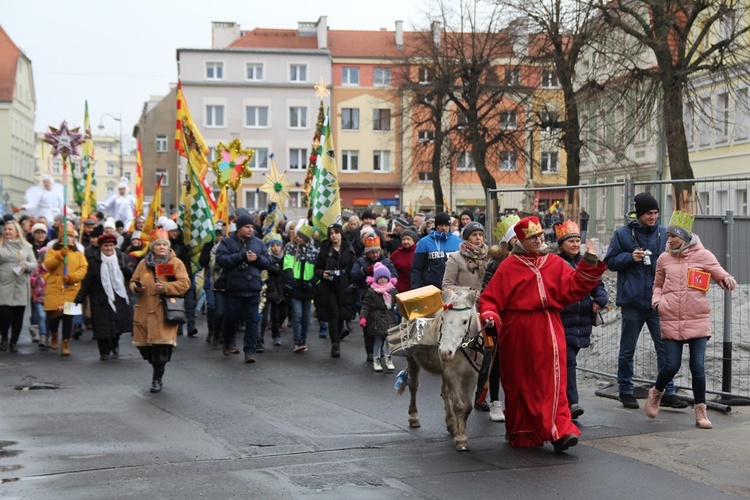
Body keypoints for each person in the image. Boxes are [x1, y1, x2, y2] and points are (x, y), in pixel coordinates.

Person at [478, 216, 606, 453]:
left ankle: (560, 430)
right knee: (520, 383)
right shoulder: (508, 265)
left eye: (539, 236)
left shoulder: (554, 263)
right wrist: (490, 317)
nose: (538, 240)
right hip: (517, 332)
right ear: (521, 241)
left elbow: (577, 285)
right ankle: (524, 431)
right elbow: (490, 299)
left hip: (550, 327)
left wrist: (589, 259)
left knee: (554, 380)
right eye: (532, 237)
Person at [646, 211, 737, 429]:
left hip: (697, 318)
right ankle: (656, 392)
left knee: (697, 366)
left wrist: (727, 280)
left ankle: (700, 412)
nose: (669, 240)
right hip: (670, 317)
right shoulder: (664, 258)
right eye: (667, 236)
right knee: (671, 365)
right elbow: (657, 284)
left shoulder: (704, 255)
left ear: (685, 236)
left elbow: (720, 274)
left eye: (673, 237)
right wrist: (657, 302)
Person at [604, 192, 688, 410]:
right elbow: (610, 261)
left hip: (657, 303)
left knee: (665, 350)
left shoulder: (664, 234)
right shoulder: (623, 234)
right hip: (632, 302)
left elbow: (678, 257)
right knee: (627, 349)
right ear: (639, 214)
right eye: (649, 213)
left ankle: (667, 392)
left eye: (656, 213)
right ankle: (625, 391)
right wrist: (629, 257)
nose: (653, 217)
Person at [555, 220, 608, 420]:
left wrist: (601, 298)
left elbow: (596, 283)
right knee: (569, 361)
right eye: (571, 241)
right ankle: (572, 402)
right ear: (561, 245)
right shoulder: (555, 262)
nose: (576, 244)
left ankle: (563, 400)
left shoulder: (585, 261)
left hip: (582, 321)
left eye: (578, 240)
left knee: (569, 361)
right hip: (563, 319)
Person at [129, 229, 190, 392]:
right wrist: (136, 288)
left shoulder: (175, 263)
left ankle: (157, 379)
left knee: (160, 347)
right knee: (144, 347)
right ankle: (157, 363)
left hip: (164, 311)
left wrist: (166, 287)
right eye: (159, 245)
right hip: (144, 309)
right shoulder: (143, 264)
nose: (162, 247)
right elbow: (133, 281)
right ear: (153, 247)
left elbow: (185, 284)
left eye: (164, 244)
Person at [442, 221, 491, 410]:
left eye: (480, 234)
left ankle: (481, 395)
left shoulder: (490, 257)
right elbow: (446, 285)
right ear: (467, 238)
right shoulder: (456, 258)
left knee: (487, 352)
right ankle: (454, 391)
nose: (478, 238)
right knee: (464, 354)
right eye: (474, 235)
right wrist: (470, 292)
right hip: (464, 311)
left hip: (486, 309)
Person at [479, 214, 520, 423]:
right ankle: (495, 401)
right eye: (516, 236)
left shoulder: (528, 260)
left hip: (518, 320)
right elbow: (486, 291)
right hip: (496, 319)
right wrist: (491, 313)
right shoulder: (495, 263)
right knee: (494, 360)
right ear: (509, 240)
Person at [216, 214, 271, 362]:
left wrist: (258, 259)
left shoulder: (258, 243)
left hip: (253, 288)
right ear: (239, 228)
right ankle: (228, 342)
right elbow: (221, 260)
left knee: (252, 321)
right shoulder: (227, 242)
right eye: (247, 227)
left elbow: (267, 262)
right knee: (231, 319)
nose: (250, 230)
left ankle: (250, 351)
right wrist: (241, 257)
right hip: (234, 288)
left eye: (252, 227)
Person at [74, 233, 133, 360]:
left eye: (111, 245)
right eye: (106, 246)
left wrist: (127, 271)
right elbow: (87, 282)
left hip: (118, 297)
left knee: (117, 325)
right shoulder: (93, 261)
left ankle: (115, 343)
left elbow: (130, 275)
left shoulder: (121, 258)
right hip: (99, 299)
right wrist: (79, 298)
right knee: (102, 328)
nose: (109, 248)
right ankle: (104, 351)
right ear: (101, 247)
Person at [43, 222, 88, 356]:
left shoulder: (79, 254)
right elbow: (48, 265)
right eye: (65, 237)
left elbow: (83, 269)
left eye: (71, 237)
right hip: (55, 289)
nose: (68, 239)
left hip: (71, 290)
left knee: (69, 318)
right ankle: (54, 334)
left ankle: (66, 342)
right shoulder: (52, 251)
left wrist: (72, 277)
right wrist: (59, 255)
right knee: (53, 317)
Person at [313, 223, 357, 358]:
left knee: (341, 315)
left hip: (344, 287)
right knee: (333, 314)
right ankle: (335, 345)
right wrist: (323, 274)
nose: (334, 236)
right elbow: (317, 268)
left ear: (341, 234)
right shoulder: (325, 248)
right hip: (329, 286)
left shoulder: (348, 247)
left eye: (336, 232)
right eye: (331, 233)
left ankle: (337, 336)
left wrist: (347, 276)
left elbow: (353, 266)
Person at [352, 236, 398, 362]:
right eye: (372, 252)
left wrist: (383, 273)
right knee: (369, 329)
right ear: (367, 252)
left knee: (383, 329)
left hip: (383, 302)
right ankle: (370, 351)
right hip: (366, 299)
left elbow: (394, 275)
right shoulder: (361, 261)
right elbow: (354, 275)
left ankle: (380, 349)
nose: (375, 254)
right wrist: (365, 271)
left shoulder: (386, 261)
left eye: (377, 251)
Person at [0, 220, 37, 353]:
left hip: (20, 284)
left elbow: (34, 264)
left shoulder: (27, 247)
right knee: (4, 314)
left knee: (18, 316)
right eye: (6, 229)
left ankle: (14, 341)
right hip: (3, 284)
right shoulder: (1, 245)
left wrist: (26, 264)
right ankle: (4, 336)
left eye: (10, 229)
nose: (7, 232)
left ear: (17, 232)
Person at [282, 223, 318, 353]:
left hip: (307, 287)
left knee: (306, 316)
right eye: (297, 236)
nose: (297, 238)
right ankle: (297, 341)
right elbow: (287, 265)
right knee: (297, 313)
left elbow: (317, 270)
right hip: (295, 286)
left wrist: (312, 282)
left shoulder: (314, 252)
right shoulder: (292, 249)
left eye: (300, 236)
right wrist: (290, 281)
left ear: (307, 238)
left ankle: (304, 339)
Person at [359, 262, 398, 372]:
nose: (383, 280)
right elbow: (366, 305)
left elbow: (399, 302)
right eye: (380, 278)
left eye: (385, 277)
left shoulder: (392, 290)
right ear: (376, 279)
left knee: (388, 340)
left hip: (389, 319)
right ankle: (377, 360)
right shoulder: (372, 291)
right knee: (377, 341)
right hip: (376, 320)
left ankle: (388, 359)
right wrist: (363, 317)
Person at [410, 212, 461, 289]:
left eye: (446, 225)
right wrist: (415, 287)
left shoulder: (458, 242)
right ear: (436, 226)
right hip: (430, 288)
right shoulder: (424, 242)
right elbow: (416, 268)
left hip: (453, 288)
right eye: (441, 225)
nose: (444, 228)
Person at [260, 233, 287, 348]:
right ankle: (276, 335)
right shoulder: (269, 260)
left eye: (277, 245)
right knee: (275, 315)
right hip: (274, 291)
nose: (275, 248)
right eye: (273, 245)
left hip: (284, 291)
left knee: (284, 313)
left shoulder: (285, 259)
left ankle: (278, 329)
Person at [390, 228, 419, 296]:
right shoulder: (396, 254)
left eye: (408, 239)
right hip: (400, 290)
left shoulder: (418, 252)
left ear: (413, 240)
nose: (406, 241)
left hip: (417, 288)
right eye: (403, 239)